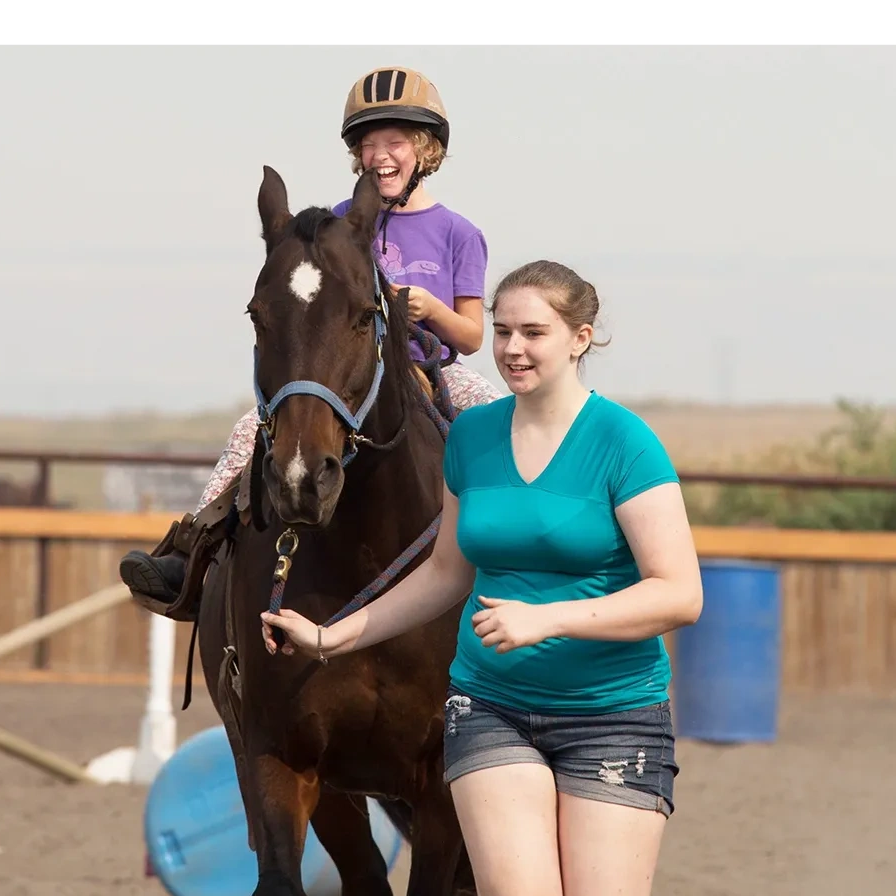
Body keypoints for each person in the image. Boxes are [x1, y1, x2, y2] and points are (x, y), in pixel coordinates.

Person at [260, 259, 704, 896]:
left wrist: (547, 619)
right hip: (491, 707)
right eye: (502, 332)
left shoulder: (626, 444)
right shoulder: (470, 437)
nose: (513, 349)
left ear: (580, 338)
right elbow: (444, 573)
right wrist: (333, 637)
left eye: (533, 332)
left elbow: (679, 594)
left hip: (612, 715)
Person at [118, 65, 502, 613]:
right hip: (346, 373)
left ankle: (519, 559)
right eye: (369, 145)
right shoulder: (339, 223)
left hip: (430, 368)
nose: (381, 156)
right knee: (248, 430)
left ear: (425, 150)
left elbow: (472, 335)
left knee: (502, 420)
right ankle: (189, 553)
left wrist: (431, 308)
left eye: (396, 142)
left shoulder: (458, 233)